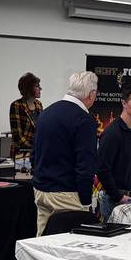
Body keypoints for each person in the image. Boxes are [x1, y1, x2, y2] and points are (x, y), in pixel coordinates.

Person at [31, 71, 99, 234]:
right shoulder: (84, 120)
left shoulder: (47, 112)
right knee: (71, 246)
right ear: (91, 94)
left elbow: (35, 154)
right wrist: (85, 201)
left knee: (42, 244)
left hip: (41, 190)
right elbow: (85, 164)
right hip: (67, 194)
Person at [96, 83, 131, 221]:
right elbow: (102, 169)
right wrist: (118, 196)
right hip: (116, 201)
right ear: (124, 103)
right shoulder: (112, 133)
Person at [8, 72, 43, 160]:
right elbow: (17, 136)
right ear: (29, 88)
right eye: (37, 86)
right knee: (24, 174)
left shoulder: (39, 105)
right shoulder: (16, 105)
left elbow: (42, 129)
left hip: (37, 152)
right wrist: (35, 147)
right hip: (21, 154)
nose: (40, 89)